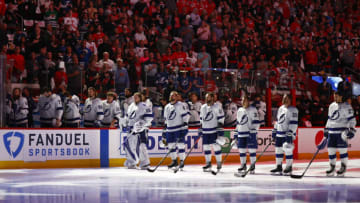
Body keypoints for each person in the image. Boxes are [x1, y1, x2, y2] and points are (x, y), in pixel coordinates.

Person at [317, 90, 356, 176]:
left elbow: (352, 120)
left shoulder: (347, 106)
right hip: (332, 132)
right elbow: (330, 119)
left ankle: (343, 167)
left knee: (342, 150)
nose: (335, 97)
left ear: (341, 96)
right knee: (331, 150)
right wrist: (326, 129)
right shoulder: (331, 106)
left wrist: (351, 129)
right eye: (334, 96)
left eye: (337, 96)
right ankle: (332, 167)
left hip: (341, 132)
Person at [124, 92, 153, 169]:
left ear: (140, 98)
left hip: (141, 130)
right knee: (129, 146)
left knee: (141, 146)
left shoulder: (144, 106)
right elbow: (127, 117)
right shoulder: (131, 106)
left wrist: (142, 124)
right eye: (134, 97)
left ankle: (145, 163)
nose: (135, 98)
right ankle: (131, 162)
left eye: (137, 97)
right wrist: (124, 122)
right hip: (131, 129)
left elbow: (149, 118)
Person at [270, 94, 298, 175]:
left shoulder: (293, 110)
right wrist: (275, 130)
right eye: (284, 98)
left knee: (287, 150)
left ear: (290, 100)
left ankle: (289, 166)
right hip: (279, 133)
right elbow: (278, 121)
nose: (285, 100)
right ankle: (279, 166)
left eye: (287, 98)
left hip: (287, 134)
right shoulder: (281, 108)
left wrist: (290, 132)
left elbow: (294, 123)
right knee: (278, 150)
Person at [233, 94, 260, 175]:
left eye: (245, 100)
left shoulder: (253, 109)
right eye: (242, 100)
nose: (243, 102)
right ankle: (243, 165)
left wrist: (254, 131)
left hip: (250, 133)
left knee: (252, 150)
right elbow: (238, 123)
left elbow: (256, 122)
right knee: (241, 150)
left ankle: (252, 166)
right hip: (241, 133)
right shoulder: (240, 110)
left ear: (248, 101)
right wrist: (235, 134)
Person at [163, 91, 190, 170]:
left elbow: (186, 116)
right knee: (171, 146)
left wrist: (185, 125)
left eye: (174, 95)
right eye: (171, 95)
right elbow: (166, 119)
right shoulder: (167, 106)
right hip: (170, 129)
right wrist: (165, 129)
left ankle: (182, 161)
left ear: (177, 97)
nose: (172, 97)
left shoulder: (180, 105)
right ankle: (174, 161)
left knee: (180, 145)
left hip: (178, 128)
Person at [200, 92, 225, 172]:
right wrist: (201, 129)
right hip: (205, 131)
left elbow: (221, 119)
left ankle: (219, 163)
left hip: (214, 130)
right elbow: (201, 119)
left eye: (209, 97)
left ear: (212, 98)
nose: (207, 99)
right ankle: (208, 163)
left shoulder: (217, 106)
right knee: (206, 147)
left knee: (216, 147)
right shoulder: (203, 107)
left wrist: (220, 131)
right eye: (206, 97)